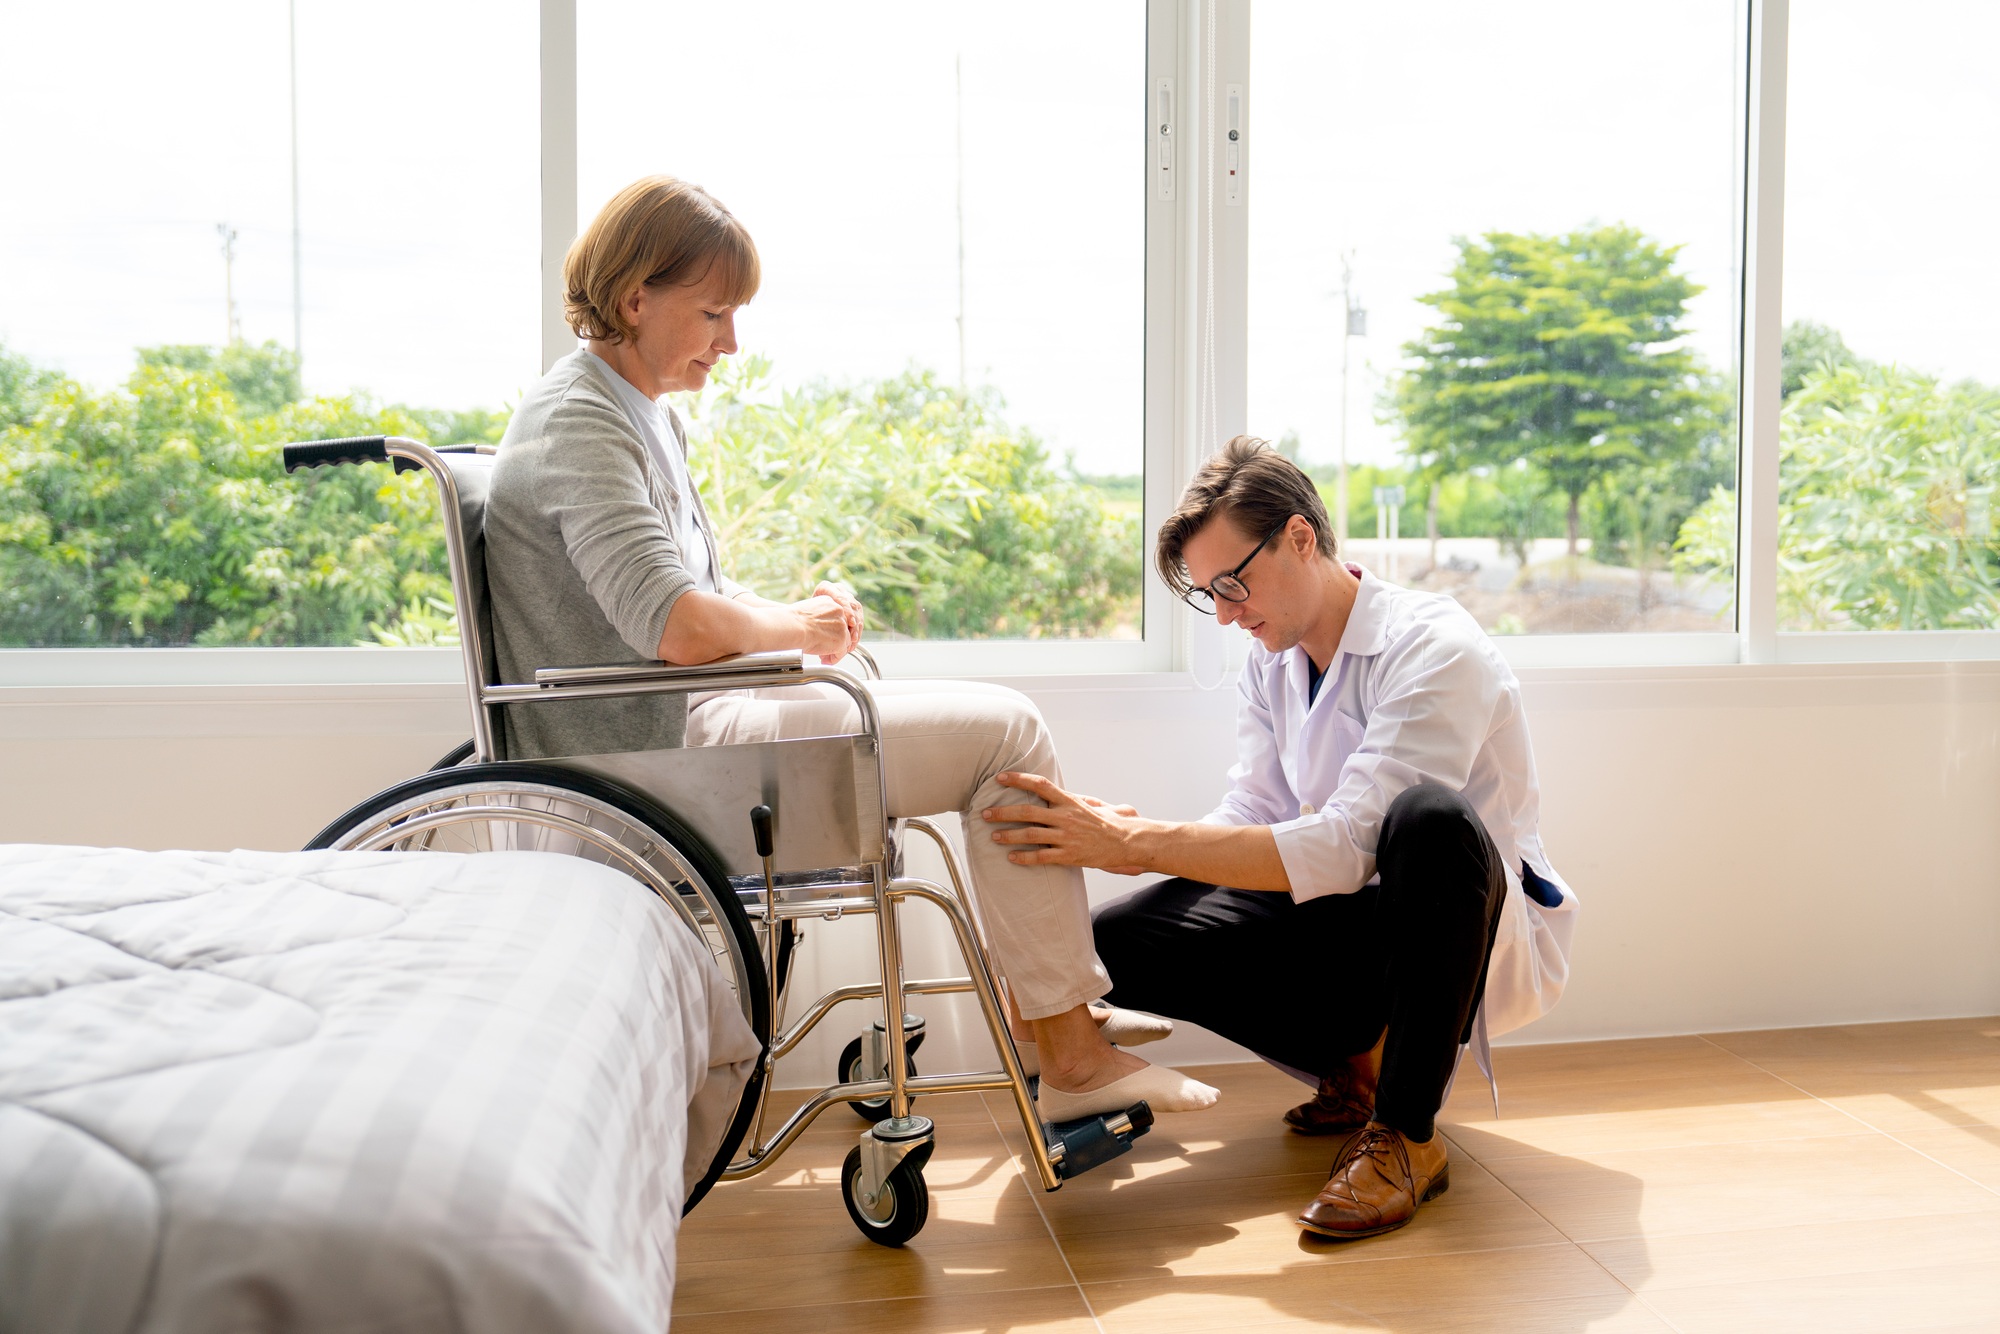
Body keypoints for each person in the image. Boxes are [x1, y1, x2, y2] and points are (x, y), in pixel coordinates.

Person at [483, 175, 1217, 1122]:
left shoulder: (629, 412)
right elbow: (675, 625)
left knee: (978, 731)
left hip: (672, 726)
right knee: (1007, 734)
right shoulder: (582, 422)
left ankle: (1055, 1031)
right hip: (645, 754)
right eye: (713, 313)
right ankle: (1065, 1045)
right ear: (635, 299)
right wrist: (800, 629)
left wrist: (801, 617)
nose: (731, 342)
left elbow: (690, 598)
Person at [980, 436, 1578, 1239]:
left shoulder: (1437, 647)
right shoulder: (1274, 658)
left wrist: (1138, 843)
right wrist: (1133, 835)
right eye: (1210, 595)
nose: (1226, 613)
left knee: (1427, 820)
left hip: (1447, 929)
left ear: (1301, 537)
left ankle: (1407, 1135)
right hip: (1342, 924)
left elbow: (1346, 846)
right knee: (1107, 945)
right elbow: (1254, 810)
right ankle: (1357, 1063)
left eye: (1234, 583)